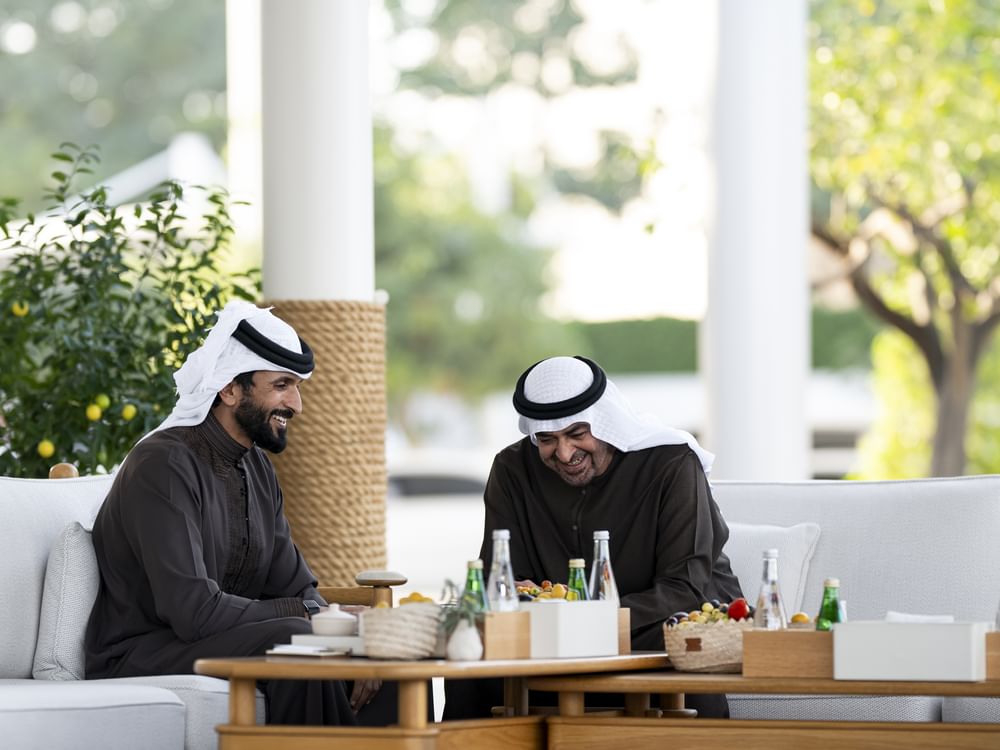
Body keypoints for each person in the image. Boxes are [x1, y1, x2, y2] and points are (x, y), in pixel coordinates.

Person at [84, 300, 391, 726]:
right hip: (141, 652)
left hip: (212, 639)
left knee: (380, 646)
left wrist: (346, 628)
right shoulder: (163, 465)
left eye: (297, 387)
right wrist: (310, 617)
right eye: (282, 385)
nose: (297, 404)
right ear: (230, 389)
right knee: (297, 639)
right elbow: (193, 612)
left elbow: (298, 587)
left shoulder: (257, 467)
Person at [444, 355, 742, 719]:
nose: (565, 453)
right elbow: (502, 582)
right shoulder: (512, 470)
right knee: (470, 651)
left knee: (687, 643)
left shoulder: (671, 464)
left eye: (577, 434)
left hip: (654, 623)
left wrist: (583, 623)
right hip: (552, 638)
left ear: (605, 422)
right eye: (547, 439)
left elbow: (684, 587)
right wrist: (535, 608)